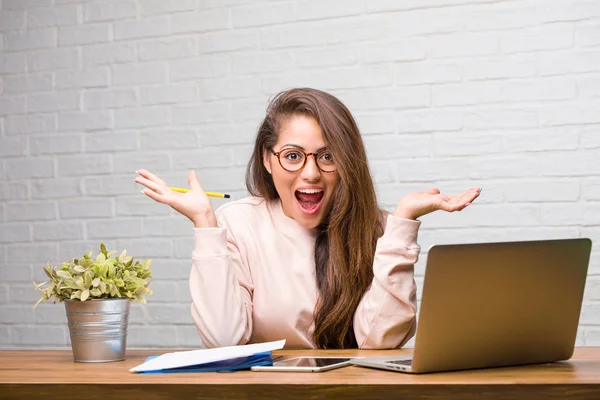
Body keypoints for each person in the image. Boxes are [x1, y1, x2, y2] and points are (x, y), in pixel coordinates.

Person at [134, 88, 480, 349]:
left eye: (328, 156)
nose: (311, 173)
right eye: (293, 156)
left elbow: (379, 342)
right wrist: (206, 225)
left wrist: (401, 223)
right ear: (267, 161)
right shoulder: (237, 223)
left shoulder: (376, 227)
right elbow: (224, 340)